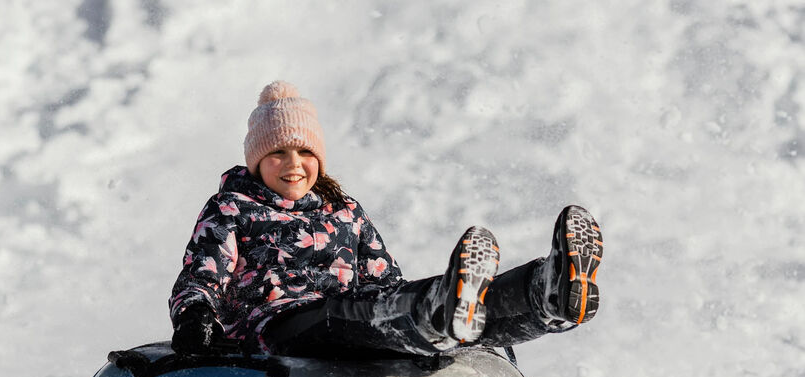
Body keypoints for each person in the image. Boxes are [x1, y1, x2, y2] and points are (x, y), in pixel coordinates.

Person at [169, 81, 603, 359]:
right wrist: (195, 317)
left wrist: (407, 295)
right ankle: (439, 314)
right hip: (277, 325)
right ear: (257, 161)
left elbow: (383, 279)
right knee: (353, 314)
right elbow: (201, 275)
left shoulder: (345, 210)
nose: (293, 164)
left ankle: (544, 296)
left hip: (351, 314)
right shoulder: (232, 208)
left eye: (305, 153)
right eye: (277, 153)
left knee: (399, 300)